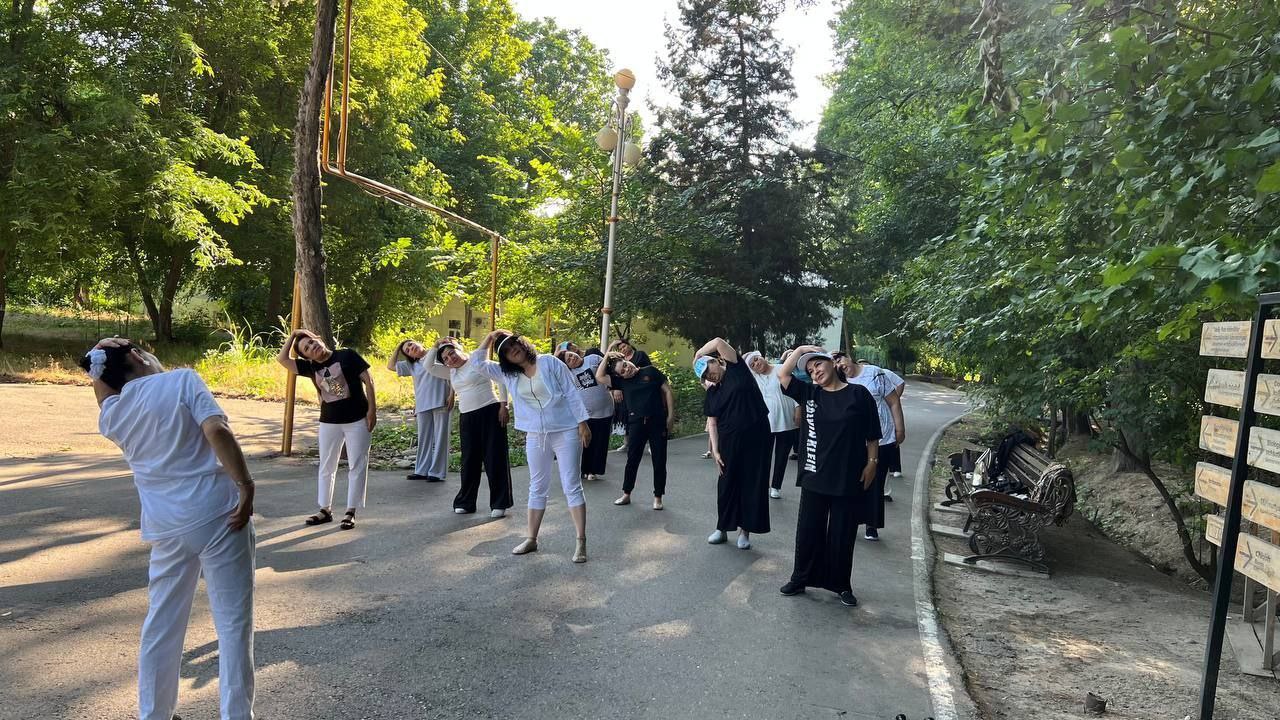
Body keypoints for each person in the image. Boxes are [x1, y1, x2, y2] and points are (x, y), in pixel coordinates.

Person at [80, 338, 256, 720]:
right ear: (137, 355)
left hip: (166, 526)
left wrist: (100, 359)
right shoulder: (182, 381)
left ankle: (155, 713)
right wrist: (245, 484)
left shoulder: (112, 414)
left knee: (162, 622)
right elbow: (217, 430)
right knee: (233, 623)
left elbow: (104, 392)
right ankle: (236, 714)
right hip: (219, 513)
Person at [470, 330, 593, 562]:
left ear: (523, 344)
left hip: (566, 430)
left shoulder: (549, 362)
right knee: (537, 486)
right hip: (536, 435)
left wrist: (582, 423)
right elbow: (477, 363)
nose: (513, 350)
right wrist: (490, 337)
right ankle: (531, 538)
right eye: (506, 350)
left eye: (514, 344)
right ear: (505, 358)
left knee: (571, 485)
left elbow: (571, 391)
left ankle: (580, 541)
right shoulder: (507, 374)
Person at [776, 345, 880, 607]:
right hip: (814, 475)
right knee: (808, 531)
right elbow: (783, 375)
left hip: (848, 476)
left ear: (833, 363)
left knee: (842, 533)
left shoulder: (858, 394)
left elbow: (872, 434)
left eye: (818, 365)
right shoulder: (810, 394)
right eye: (811, 370)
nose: (815, 372)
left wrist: (872, 463)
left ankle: (841, 584)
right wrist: (801, 350)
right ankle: (800, 578)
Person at [276, 329, 375, 530]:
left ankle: (350, 511)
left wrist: (372, 411)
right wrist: (294, 335)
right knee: (326, 465)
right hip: (329, 421)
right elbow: (282, 359)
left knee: (357, 464)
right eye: (307, 348)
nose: (312, 347)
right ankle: (325, 509)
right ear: (306, 356)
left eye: (312, 342)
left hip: (357, 419)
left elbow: (369, 381)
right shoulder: (310, 367)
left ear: (319, 339)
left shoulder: (347, 355)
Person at [694, 337, 771, 549]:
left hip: (757, 437)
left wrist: (698, 354)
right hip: (729, 442)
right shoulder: (712, 393)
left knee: (752, 482)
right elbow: (712, 423)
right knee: (726, 483)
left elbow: (719, 342)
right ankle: (722, 528)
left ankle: (745, 531)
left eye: (708, 369)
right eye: (705, 375)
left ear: (716, 361)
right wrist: (715, 450)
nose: (709, 375)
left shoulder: (737, 369)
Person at [427, 338, 514, 517]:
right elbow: (428, 367)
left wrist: (504, 404)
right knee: (469, 460)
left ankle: (499, 502)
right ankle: (466, 502)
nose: (450, 359)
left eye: (451, 353)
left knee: (494, 458)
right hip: (467, 417)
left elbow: (501, 379)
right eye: (445, 358)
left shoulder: (477, 361)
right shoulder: (451, 371)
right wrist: (435, 346)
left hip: (490, 411)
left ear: (459, 349)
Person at [837, 352, 907, 540]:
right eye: (834, 363)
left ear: (848, 357)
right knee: (852, 482)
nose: (840, 365)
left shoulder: (875, 373)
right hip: (853, 441)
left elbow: (893, 401)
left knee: (875, 483)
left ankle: (871, 524)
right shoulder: (838, 380)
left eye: (840, 359)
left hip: (883, 437)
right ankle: (850, 521)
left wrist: (899, 428)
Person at [597, 351, 675, 510]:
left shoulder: (650, 371)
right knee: (632, 460)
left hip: (657, 421)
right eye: (622, 371)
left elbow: (667, 391)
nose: (627, 369)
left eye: (626, 365)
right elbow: (599, 376)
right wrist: (607, 355)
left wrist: (671, 416)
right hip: (636, 423)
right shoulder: (621, 382)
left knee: (659, 460)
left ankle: (658, 497)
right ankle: (626, 493)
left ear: (628, 361)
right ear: (620, 376)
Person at [388, 339, 453, 482]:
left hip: (441, 400)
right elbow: (391, 366)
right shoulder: (412, 365)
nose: (411, 348)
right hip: (422, 405)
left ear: (418, 342)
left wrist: (452, 394)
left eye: (411, 344)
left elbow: (453, 371)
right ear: (410, 356)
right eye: (407, 350)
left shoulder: (437, 352)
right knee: (424, 438)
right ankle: (421, 470)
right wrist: (398, 347)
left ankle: (437, 472)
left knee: (441, 438)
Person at [744, 351, 799, 500]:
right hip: (765, 423)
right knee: (763, 456)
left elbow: (795, 389)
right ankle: (762, 484)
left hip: (786, 421)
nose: (756, 364)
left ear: (762, 357)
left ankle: (776, 486)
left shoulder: (781, 369)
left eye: (756, 359)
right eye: (752, 364)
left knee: (782, 456)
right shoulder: (754, 378)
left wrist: (798, 408)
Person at [555, 345, 614, 481]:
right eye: (568, 360)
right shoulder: (568, 374)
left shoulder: (593, 359)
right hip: (585, 414)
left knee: (601, 442)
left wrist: (616, 388)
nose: (572, 358)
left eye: (571, 354)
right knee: (586, 442)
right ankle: (583, 470)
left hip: (606, 409)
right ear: (567, 366)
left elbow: (611, 371)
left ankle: (594, 470)